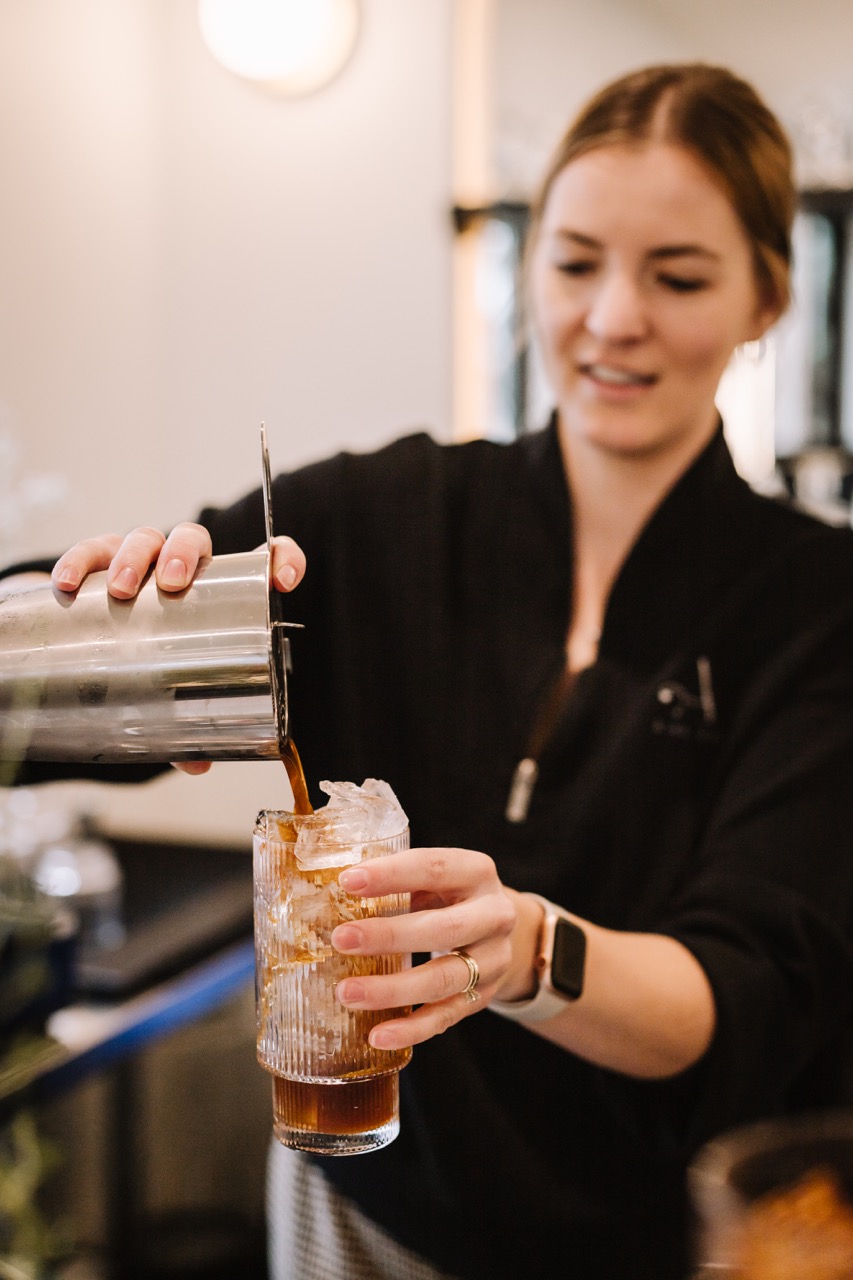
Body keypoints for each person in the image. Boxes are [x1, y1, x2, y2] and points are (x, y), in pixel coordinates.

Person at [5, 61, 853, 1280]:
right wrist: (114, 620)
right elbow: (36, 710)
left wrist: (523, 949)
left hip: (644, 1243)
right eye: (571, 264)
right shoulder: (384, 515)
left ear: (769, 294)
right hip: (361, 1214)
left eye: (676, 275)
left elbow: (741, 989)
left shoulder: (812, 605)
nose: (612, 316)